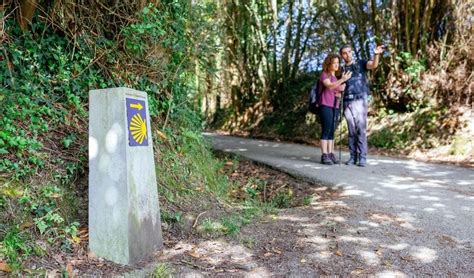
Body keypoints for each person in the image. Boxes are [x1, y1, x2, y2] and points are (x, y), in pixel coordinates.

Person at [339, 44, 384, 167]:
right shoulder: (341, 69)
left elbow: (374, 65)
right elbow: (338, 86)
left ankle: (362, 157)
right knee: (351, 130)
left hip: (360, 100)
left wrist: (376, 54)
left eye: (349, 51)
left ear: (352, 52)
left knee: (361, 129)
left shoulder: (361, 63)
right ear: (342, 55)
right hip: (347, 101)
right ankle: (353, 157)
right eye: (344, 53)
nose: (347, 54)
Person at [319, 54, 352, 165]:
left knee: (332, 131)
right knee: (326, 129)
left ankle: (331, 153)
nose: (337, 65)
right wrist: (342, 80)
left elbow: (336, 90)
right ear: (329, 64)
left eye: (338, 63)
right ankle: (324, 155)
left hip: (335, 106)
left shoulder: (336, 78)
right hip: (325, 105)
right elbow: (330, 86)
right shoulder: (324, 75)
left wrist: (340, 91)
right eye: (334, 63)